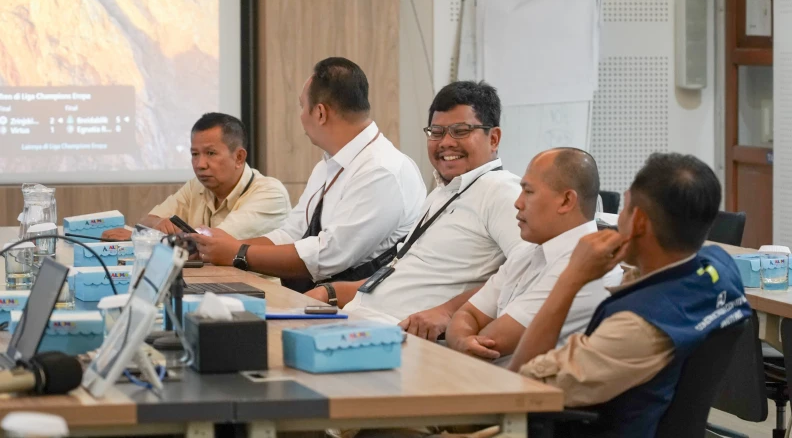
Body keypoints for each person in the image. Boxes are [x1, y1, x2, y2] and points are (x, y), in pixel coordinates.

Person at [508, 153, 752, 438]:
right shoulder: (721, 268)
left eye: (624, 208)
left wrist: (571, 278)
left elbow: (521, 383)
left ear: (638, 222)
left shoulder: (636, 328)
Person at [307, 80, 526, 340]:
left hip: (398, 340)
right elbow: (400, 277)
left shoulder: (500, 190)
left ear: (494, 138)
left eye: (460, 131)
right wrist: (330, 292)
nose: (446, 142)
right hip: (359, 323)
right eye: (436, 132)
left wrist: (448, 312)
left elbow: (529, 270)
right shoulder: (443, 193)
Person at [191, 57, 426, 291]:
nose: (301, 116)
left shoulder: (381, 170)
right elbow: (292, 233)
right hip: (318, 300)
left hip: (363, 309)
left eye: (302, 106)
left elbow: (329, 255)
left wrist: (238, 253)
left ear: (320, 113)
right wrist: (219, 249)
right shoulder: (327, 165)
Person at [445, 148, 622, 365]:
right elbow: (467, 314)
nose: (518, 203)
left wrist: (463, 340)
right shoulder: (528, 251)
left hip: (513, 384)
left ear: (566, 201)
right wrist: (463, 340)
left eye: (528, 192)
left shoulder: (589, 266)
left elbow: (493, 341)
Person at [101, 113, 291, 241]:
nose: (200, 164)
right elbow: (147, 221)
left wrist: (142, 238)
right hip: (211, 281)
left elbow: (214, 242)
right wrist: (158, 224)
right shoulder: (196, 187)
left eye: (211, 153)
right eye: (194, 154)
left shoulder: (270, 193)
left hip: (258, 287)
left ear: (239, 157)